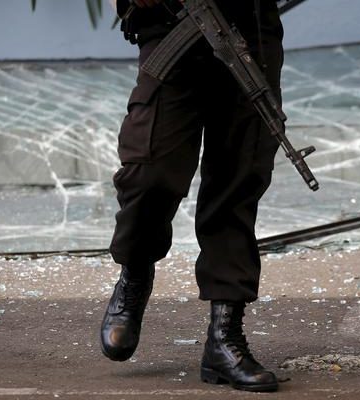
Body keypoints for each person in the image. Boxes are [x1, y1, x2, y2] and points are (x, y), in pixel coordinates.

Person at [101, 0, 284, 392]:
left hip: (248, 24)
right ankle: (135, 272)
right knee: (150, 170)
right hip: (170, 21)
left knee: (238, 180)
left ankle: (224, 337)